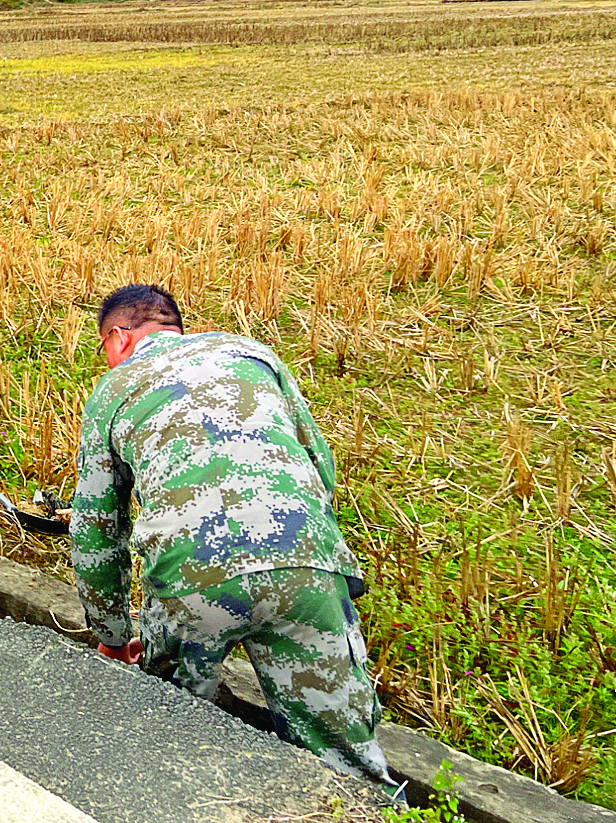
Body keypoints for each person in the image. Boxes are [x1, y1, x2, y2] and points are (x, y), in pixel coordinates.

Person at [71, 283, 396, 790]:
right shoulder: (252, 353)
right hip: (305, 565)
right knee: (345, 763)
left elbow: (97, 531)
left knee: (170, 732)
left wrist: (112, 636)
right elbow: (319, 465)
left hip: (191, 580)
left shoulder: (113, 391)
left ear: (119, 337)